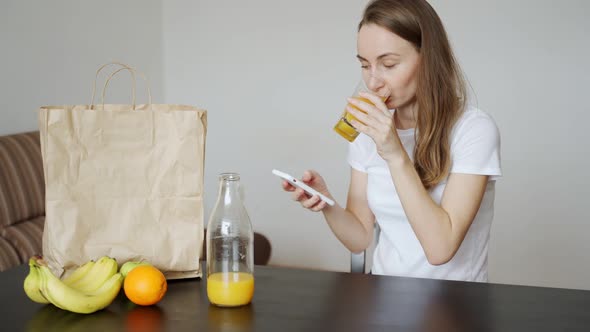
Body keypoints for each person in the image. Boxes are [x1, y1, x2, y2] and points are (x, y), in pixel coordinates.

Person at [280, 0, 501, 282]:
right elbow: (360, 237)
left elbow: (440, 249)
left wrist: (395, 153)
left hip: (455, 303)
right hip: (386, 294)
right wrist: (327, 203)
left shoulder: (473, 130)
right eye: (365, 65)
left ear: (429, 58)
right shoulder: (368, 130)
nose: (373, 82)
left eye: (388, 64)